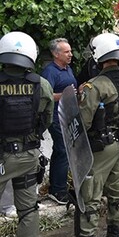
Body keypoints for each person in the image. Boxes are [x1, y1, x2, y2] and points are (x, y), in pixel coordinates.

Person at [56, 33, 119, 237]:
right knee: (117, 190)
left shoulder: (95, 86)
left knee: (89, 193)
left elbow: (83, 122)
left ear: (99, 57)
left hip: (101, 148)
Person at [0, 32, 53, 237]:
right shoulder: (41, 85)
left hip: (1, 158)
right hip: (28, 156)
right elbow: (47, 120)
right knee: (28, 210)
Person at [41, 38, 77, 205]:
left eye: (70, 51)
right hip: (55, 117)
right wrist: (66, 95)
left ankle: (59, 185)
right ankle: (57, 190)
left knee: (65, 151)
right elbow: (46, 95)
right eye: (66, 52)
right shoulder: (50, 71)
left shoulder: (68, 69)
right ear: (56, 54)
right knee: (62, 150)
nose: (70, 54)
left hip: (69, 115)